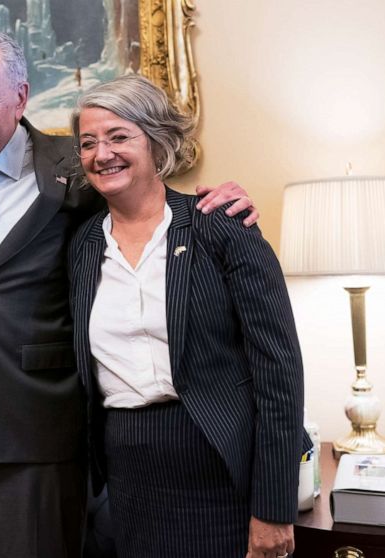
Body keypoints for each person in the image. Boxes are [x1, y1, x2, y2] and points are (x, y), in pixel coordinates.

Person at [0, 29, 260, 557]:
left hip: (35, 429)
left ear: (20, 98)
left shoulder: (81, 164)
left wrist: (228, 198)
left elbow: (145, 201)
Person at [68, 74, 308, 558]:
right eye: (88, 142)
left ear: (157, 143)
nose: (101, 154)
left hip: (221, 465)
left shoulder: (219, 225)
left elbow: (279, 372)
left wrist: (274, 507)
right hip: (129, 472)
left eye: (119, 137)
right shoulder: (82, 245)